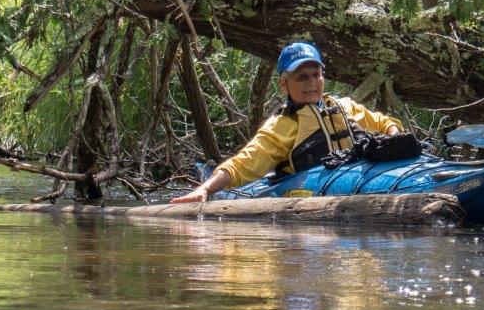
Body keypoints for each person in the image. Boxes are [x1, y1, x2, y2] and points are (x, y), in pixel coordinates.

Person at [171, 41, 402, 203]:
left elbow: (385, 123)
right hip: (307, 190)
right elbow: (242, 164)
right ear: (284, 84)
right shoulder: (281, 126)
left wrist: (393, 135)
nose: (312, 83)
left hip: (365, 177)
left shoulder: (345, 106)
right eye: (302, 77)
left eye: (316, 75)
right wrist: (205, 189)